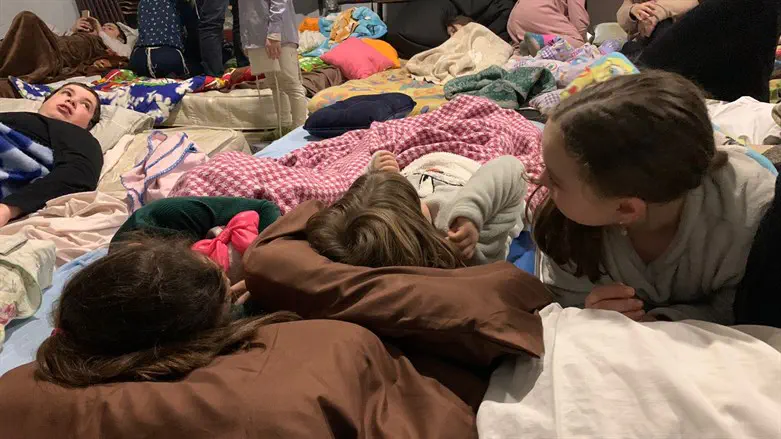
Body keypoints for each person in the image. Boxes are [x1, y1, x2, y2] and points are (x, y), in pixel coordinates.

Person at [533, 70, 776, 325]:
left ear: (626, 209)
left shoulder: (748, 219)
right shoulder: (562, 227)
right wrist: (587, 312)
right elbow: (562, 301)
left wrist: (664, 321)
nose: (539, 179)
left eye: (556, 180)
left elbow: (743, 307)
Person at [306, 153, 527, 268]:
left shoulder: (389, 236)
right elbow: (512, 169)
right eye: (413, 198)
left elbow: (361, 213)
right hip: (465, 172)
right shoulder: (462, 241)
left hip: (422, 171)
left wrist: (376, 171)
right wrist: (471, 212)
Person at [617, 0, 779, 102]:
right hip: (647, 47)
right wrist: (633, 11)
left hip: (681, 49)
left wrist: (659, 10)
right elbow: (623, 14)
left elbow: (695, 3)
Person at [0, 83, 102, 227]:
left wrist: (9, 208)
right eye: (67, 93)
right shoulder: (11, 116)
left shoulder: (81, 138)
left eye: (85, 105)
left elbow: (78, 175)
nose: (72, 101)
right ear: (46, 100)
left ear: (89, 124)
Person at [0, 12, 126, 97]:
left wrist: (98, 30)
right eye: (103, 26)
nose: (104, 28)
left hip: (64, 53)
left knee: (27, 19)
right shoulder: (80, 35)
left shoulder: (117, 45)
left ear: (119, 38)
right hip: (58, 45)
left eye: (110, 28)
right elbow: (62, 41)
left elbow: (122, 53)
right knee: (25, 28)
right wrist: (73, 29)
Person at [240, 0, 308, 128]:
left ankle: (300, 131)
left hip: (281, 36)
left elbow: (279, 3)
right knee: (274, 85)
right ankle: (284, 129)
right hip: (256, 38)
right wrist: (246, 41)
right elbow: (244, 11)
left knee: (291, 85)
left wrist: (274, 33)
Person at [130, 0, 201, 78]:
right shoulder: (179, 3)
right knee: (200, 68)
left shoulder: (142, 2)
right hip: (167, 56)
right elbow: (194, 33)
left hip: (139, 57)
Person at [506, 0, 589, 47]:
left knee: (521, 49)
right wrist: (583, 42)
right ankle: (540, 42)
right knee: (579, 45)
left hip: (515, 17)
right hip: (539, 11)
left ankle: (524, 51)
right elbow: (579, 18)